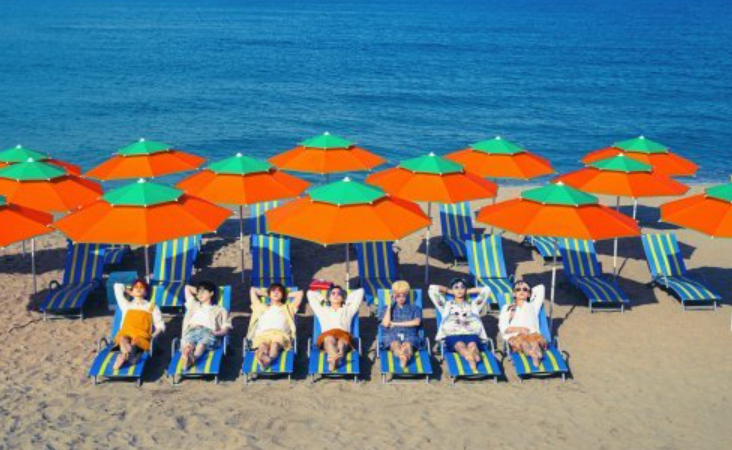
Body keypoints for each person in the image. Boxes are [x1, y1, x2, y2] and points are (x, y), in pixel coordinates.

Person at [429, 278, 491, 371]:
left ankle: (473, 355)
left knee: (473, 345)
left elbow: (487, 290)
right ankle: (469, 357)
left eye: (462, 287)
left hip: (471, 334)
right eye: (456, 287)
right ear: (452, 290)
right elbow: (432, 289)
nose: (459, 290)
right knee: (460, 346)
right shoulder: (446, 305)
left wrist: (467, 291)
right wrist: (448, 290)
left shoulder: (473, 305)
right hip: (453, 335)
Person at [307, 286, 364, 371]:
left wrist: (347, 300)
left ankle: (333, 359)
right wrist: (323, 299)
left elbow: (360, 291)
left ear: (343, 298)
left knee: (341, 343)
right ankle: (337, 359)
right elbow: (310, 293)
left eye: (339, 294)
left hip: (343, 335)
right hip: (328, 334)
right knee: (329, 339)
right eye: (333, 293)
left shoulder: (348, 309)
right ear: (329, 297)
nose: (336, 295)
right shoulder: (322, 310)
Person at [112, 279, 165, 370]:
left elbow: (160, 325)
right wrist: (130, 292)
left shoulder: (151, 306)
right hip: (126, 333)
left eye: (142, 287)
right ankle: (126, 356)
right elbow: (117, 286)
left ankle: (123, 356)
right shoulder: (127, 305)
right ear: (132, 290)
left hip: (141, 336)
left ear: (146, 292)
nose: (138, 288)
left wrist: (153, 336)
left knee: (135, 341)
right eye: (136, 287)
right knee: (122, 339)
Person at [247, 283, 304, 368]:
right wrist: (269, 294)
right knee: (263, 345)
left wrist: (283, 295)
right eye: (273, 290)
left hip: (281, 334)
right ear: (269, 294)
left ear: (283, 295)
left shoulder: (288, 308)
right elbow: (253, 290)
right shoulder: (261, 307)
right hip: (263, 334)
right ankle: (265, 357)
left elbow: (300, 293)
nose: (276, 292)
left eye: (279, 291)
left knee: (275, 345)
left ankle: (268, 359)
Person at [180, 281, 232, 370]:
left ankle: (192, 358)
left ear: (211, 293)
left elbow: (226, 328)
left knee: (201, 344)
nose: (199, 295)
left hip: (208, 332)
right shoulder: (194, 305)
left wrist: (216, 333)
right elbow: (187, 288)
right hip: (192, 330)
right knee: (188, 345)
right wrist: (200, 291)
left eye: (203, 292)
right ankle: (187, 354)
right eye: (198, 292)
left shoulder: (221, 310)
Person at [498, 281, 547, 367]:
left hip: (532, 334)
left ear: (529, 294)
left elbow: (541, 288)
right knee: (523, 343)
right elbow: (503, 327)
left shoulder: (533, 305)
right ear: (514, 293)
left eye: (524, 289)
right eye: (518, 289)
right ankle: (533, 354)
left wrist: (528, 290)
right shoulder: (507, 308)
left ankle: (536, 354)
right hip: (516, 336)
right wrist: (519, 329)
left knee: (535, 342)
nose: (521, 291)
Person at [378, 281, 421, 369]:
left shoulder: (415, 308)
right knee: (395, 344)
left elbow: (416, 322)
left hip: (409, 334)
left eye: (403, 296)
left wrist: (394, 323)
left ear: (407, 295)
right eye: (398, 296)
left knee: (407, 345)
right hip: (392, 334)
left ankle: (404, 355)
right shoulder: (386, 308)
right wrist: (389, 306)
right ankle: (402, 356)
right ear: (394, 295)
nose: (401, 298)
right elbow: (386, 324)